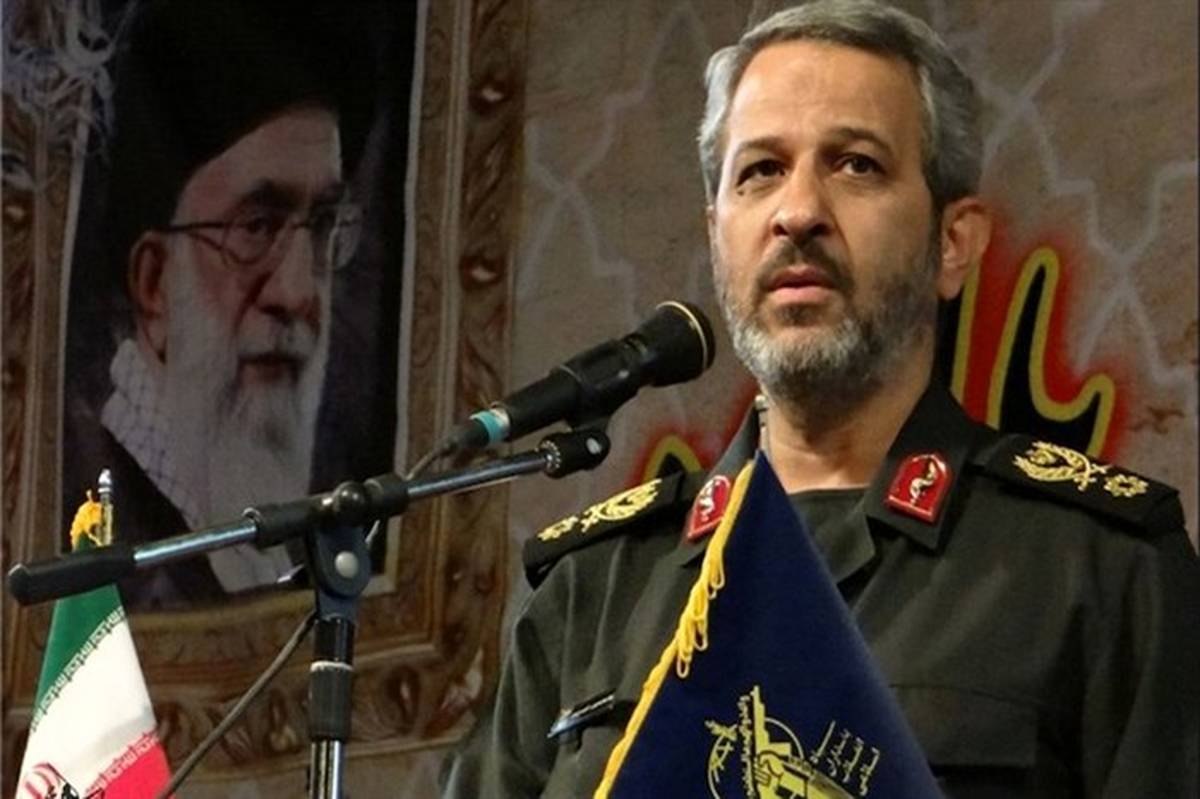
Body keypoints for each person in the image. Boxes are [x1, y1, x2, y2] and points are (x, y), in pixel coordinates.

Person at [440, 1, 1199, 796]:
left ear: (953, 242)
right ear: (716, 233)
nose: (797, 212)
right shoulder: (591, 591)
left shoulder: (1100, 568)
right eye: (761, 170)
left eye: (856, 165)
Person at [63, 0, 366, 610]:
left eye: (322, 227)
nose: (298, 293)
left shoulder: (250, 538)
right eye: (255, 228)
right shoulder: (102, 531)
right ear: (155, 286)